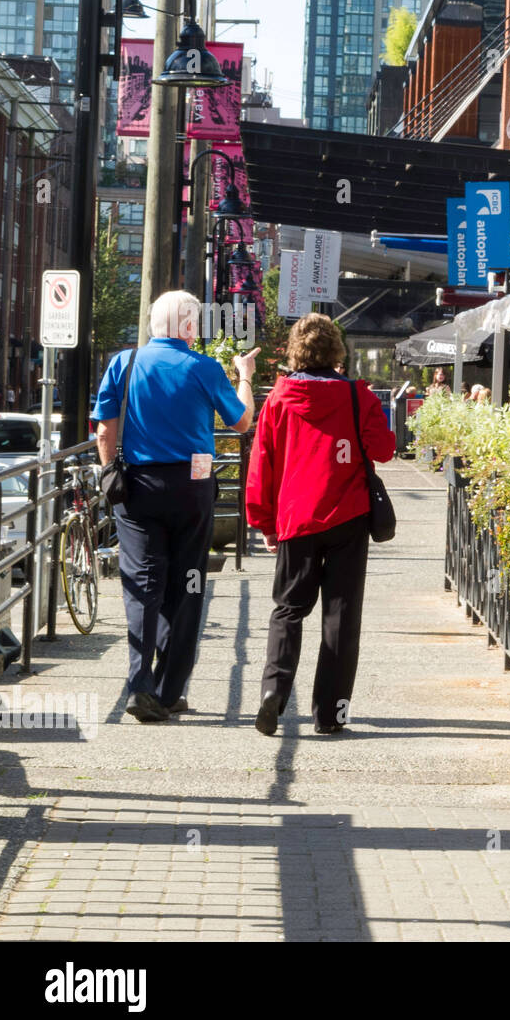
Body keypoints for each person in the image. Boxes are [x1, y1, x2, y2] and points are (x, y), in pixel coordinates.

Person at [94, 290, 258, 723]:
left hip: (138, 489)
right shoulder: (204, 368)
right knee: (188, 582)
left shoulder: (124, 363)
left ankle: (139, 684)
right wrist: (244, 376)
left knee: (143, 583)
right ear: (188, 326)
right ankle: (169, 690)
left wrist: (110, 471)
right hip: (192, 488)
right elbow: (242, 421)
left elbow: (104, 431)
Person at [245, 313, 395, 736]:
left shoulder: (278, 399)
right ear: (335, 351)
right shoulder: (357, 396)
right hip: (349, 514)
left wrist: (264, 521)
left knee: (288, 609)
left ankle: (273, 691)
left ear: (296, 350)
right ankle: (330, 714)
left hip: (296, 517)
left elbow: (262, 463)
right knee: (341, 615)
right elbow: (384, 450)